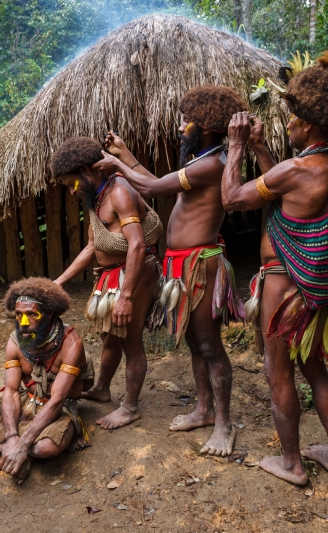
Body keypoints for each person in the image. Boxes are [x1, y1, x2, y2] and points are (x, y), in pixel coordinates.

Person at [220, 30, 328, 485]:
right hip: (317, 290)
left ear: (308, 124)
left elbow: (233, 198)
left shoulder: (301, 168)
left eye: (291, 120)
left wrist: (234, 145)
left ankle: (291, 464)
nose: (288, 124)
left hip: (285, 285)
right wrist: (257, 148)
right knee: (314, 367)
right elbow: (285, 184)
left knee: (279, 373)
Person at [94, 85, 246, 456]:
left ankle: (224, 425)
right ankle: (204, 409)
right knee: (196, 343)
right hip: (182, 264)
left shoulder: (213, 164)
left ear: (206, 127)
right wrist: (125, 154)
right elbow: (155, 182)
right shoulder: (201, 161)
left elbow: (152, 187)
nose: (180, 128)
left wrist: (117, 165)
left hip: (200, 264)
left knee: (210, 346)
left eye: (185, 121)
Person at [51, 137, 163, 430]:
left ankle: (130, 407)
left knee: (130, 339)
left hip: (135, 273)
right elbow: (92, 247)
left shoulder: (120, 192)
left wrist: (126, 296)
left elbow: (137, 246)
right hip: (111, 274)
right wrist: (59, 281)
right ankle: (102, 388)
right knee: (109, 336)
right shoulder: (96, 198)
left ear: (87, 171)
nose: (71, 190)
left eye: (70, 183)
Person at [0, 278, 94, 483]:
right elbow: (10, 391)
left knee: (46, 448)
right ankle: (8, 449)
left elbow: (58, 399)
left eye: (31, 314)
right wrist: (11, 439)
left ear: (50, 313)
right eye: (19, 314)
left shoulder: (70, 343)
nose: (24, 323)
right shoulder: (15, 341)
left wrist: (23, 443)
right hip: (26, 397)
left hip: (59, 406)